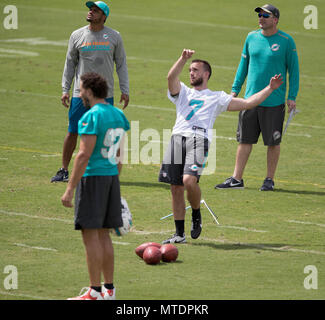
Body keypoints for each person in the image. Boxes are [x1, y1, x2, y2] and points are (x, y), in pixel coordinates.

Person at [159, 49, 283, 244]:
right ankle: (179, 234)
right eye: (190, 70)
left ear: (206, 74)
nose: (191, 73)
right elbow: (170, 77)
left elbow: (248, 103)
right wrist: (182, 59)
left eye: (196, 70)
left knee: (189, 181)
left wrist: (270, 88)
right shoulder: (182, 91)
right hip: (177, 139)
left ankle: (197, 213)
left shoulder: (216, 97)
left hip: (199, 140)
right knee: (175, 188)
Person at [215, 4, 299, 191]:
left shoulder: (286, 41)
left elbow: (294, 71)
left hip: (274, 102)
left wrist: (292, 96)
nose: (261, 18)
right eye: (260, 15)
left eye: (265, 15)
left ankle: (269, 179)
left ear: (275, 19)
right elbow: (243, 65)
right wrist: (235, 91)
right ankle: (237, 179)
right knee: (244, 140)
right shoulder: (251, 37)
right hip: (249, 100)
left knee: (272, 142)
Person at [61, 72, 130, 300]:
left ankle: (94, 291)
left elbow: (83, 155)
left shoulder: (90, 117)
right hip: (111, 177)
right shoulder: (119, 115)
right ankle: (109, 290)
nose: (79, 94)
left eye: (81, 89)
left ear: (89, 92)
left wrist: (70, 188)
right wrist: (115, 179)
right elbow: (120, 155)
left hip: (92, 179)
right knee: (104, 236)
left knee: (90, 236)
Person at [51, 1, 129, 183]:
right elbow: (69, 64)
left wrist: (125, 90)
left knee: (106, 134)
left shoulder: (114, 36)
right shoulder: (77, 35)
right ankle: (64, 170)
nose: (91, 12)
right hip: (81, 94)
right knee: (73, 131)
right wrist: (65, 89)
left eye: (96, 11)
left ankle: (106, 171)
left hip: (105, 95)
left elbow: (122, 64)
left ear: (104, 16)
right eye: (90, 10)